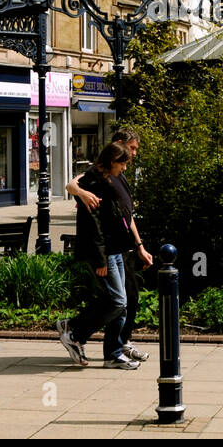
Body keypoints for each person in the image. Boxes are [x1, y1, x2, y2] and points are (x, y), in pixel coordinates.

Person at [65, 130, 152, 364]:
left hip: (120, 247)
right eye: (129, 151)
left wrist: (139, 245)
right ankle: (75, 331)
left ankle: (116, 349)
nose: (130, 159)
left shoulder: (115, 177)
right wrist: (81, 192)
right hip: (108, 251)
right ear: (117, 150)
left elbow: (126, 215)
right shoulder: (96, 179)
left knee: (125, 300)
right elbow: (72, 187)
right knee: (118, 301)